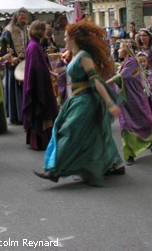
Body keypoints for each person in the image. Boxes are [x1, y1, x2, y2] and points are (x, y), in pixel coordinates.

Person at [34, 20, 125, 186]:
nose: (65, 39)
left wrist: (110, 104)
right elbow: (73, 73)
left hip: (86, 100)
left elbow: (96, 81)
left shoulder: (84, 57)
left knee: (68, 130)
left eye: (67, 37)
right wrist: (58, 72)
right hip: (76, 99)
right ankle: (116, 164)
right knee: (95, 134)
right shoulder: (75, 54)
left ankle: (54, 170)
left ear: (74, 39)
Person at [107, 41, 152, 165]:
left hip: (135, 97)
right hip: (124, 97)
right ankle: (129, 154)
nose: (118, 50)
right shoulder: (125, 62)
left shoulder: (133, 62)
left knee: (142, 121)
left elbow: (121, 77)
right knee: (125, 125)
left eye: (121, 48)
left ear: (127, 49)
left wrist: (104, 83)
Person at [22, 21, 58, 150]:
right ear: (40, 31)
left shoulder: (35, 45)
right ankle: (40, 141)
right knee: (43, 111)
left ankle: (42, 140)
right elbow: (36, 69)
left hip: (41, 83)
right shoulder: (34, 47)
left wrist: (50, 72)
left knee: (45, 112)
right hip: (39, 85)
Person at [0, 8, 29, 124]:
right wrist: (10, 57)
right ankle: (16, 116)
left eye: (25, 17)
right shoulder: (8, 30)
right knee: (14, 90)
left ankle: (24, 114)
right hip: (13, 64)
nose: (24, 20)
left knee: (23, 90)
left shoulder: (26, 29)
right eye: (22, 17)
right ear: (16, 17)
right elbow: (1, 48)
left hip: (24, 63)